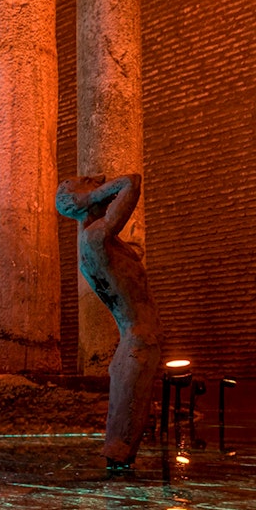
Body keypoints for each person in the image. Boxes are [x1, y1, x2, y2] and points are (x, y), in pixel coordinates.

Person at [56, 174, 162, 472]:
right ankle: (120, 480)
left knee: (127, 423)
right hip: (138, 341)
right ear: (82, 200)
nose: (99, 180)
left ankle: (119, 469)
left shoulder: (99, 240)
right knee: (123, 434)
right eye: (90, 181)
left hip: (136, 342)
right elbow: (132, 181)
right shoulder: (94, 238)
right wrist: (95, 195)